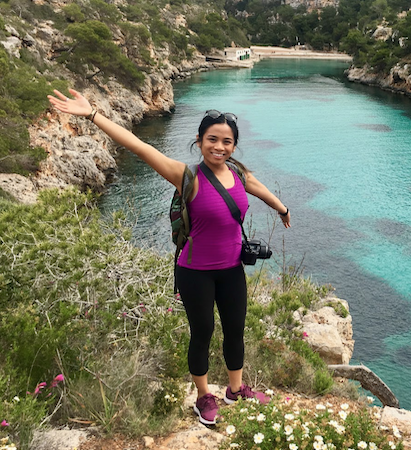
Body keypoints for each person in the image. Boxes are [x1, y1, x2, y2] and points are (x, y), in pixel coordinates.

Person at [48, 89, 291, 426]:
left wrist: (280, 207)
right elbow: (139, 146)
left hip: (232, 269)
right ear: (199, 140)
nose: (219, 147)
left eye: (227, 141)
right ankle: (204, 397)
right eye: (212, 139)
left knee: (235, 330)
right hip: (195, 272)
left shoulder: (237, 173)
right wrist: (92, 115)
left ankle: (235, 390)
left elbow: (257, 186)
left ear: (234, 145)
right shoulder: (185, 175)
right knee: (202, 332)